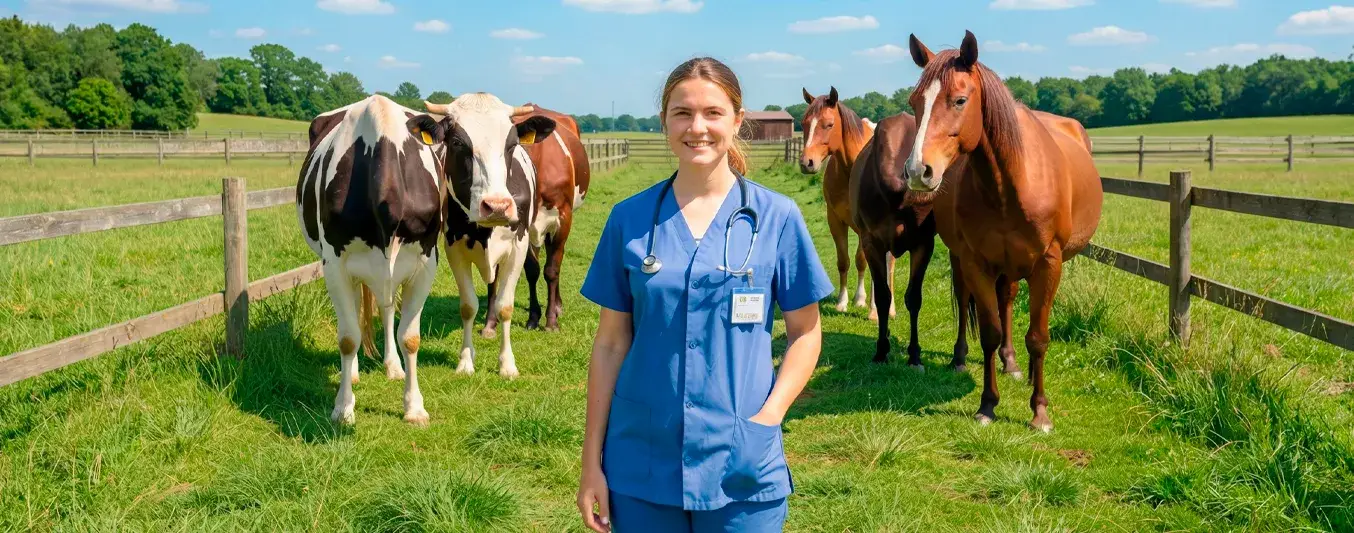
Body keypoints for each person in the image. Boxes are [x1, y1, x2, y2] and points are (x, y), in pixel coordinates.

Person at [575, 56, 835, 532]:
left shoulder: (777, 218)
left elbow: (805, 333)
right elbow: (611, 344)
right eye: (682, 113)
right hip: (641, 464)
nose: (698, 127)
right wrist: (591, 461)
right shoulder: (628, 221)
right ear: (664, 122)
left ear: (738, 121)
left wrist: (768, 418)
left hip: (744, 464)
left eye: (713, 113)